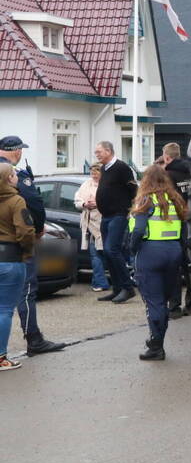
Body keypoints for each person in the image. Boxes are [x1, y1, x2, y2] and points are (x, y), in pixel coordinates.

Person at [0, 136, 66, 355]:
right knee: (25, 293)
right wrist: (36, 232)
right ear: (17, 151)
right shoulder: (13, 175)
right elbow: (34, 204)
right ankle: (34, 339)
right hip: (13, 249)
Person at [127, 166, 187, 361]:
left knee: (153, 302)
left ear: (146, 181)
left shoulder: (145, 200)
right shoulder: (175, 200)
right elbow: (185, 233)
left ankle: (156, 345)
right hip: (173, 252)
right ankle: (157, 342)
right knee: (164, 301)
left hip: (150, 252)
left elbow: (138, 229)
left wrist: (133, 248)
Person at [0, 163, 34, 371]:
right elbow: (25, 231)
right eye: (13, 174)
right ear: (8, 179)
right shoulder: (16, 200)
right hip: (11, 258)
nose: (16, 177)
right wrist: (28, 251)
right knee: (4, 310)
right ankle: (1, 357)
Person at [94, 141, 137, 304]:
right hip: (105, 216)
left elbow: (133, 189)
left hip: (119, 214)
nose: (96, 155)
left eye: (99, 152)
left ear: (108, 151)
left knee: (113, 250)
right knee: (106, 251)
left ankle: (128, 288)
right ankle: (117, 288)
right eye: (96, 152)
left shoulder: (122, 167)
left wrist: (131, 209)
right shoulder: (104, 169)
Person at [157, 143, 191, 318]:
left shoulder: (167, 176)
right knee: (189, 265)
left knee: (173, 266)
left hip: (172, 225)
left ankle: (174, 305)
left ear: (167, 157)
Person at [74, 164, 110, 292]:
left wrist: (98, 204)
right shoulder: (86, 185)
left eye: (96, 173)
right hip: (89, 225)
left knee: (104, 254)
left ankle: (99, 282)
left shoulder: (107, 184)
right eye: (92, 173)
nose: (94, 175)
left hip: (104, 223)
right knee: (95, 254)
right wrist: (84, 204)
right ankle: (100, 282)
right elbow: (77, 201)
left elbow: (113, 202)